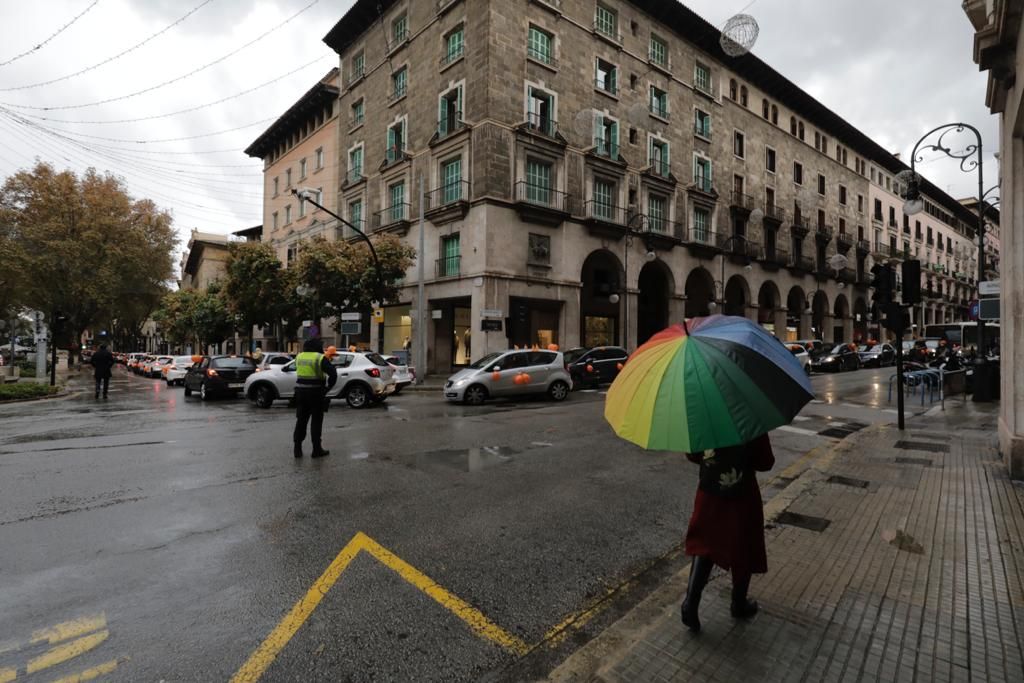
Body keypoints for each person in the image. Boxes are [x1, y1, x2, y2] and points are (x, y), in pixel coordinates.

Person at [680, 433, 775, 632]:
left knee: (704, 543)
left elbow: (693, 454)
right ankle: (738, 603)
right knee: (744, 545)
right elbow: (766, 462)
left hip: (709, 491)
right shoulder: (750, 419)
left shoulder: (705, 417)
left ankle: (691, 601)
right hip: (742, 495)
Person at [293, 338, 337, 459]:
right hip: (316, 393)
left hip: (300, 392)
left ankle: (297, 449)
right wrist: (328, 388)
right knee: (316, 421)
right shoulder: (319, 357)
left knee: (301, 420)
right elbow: (333, 373)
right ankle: (316, 450)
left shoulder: (299, 356)